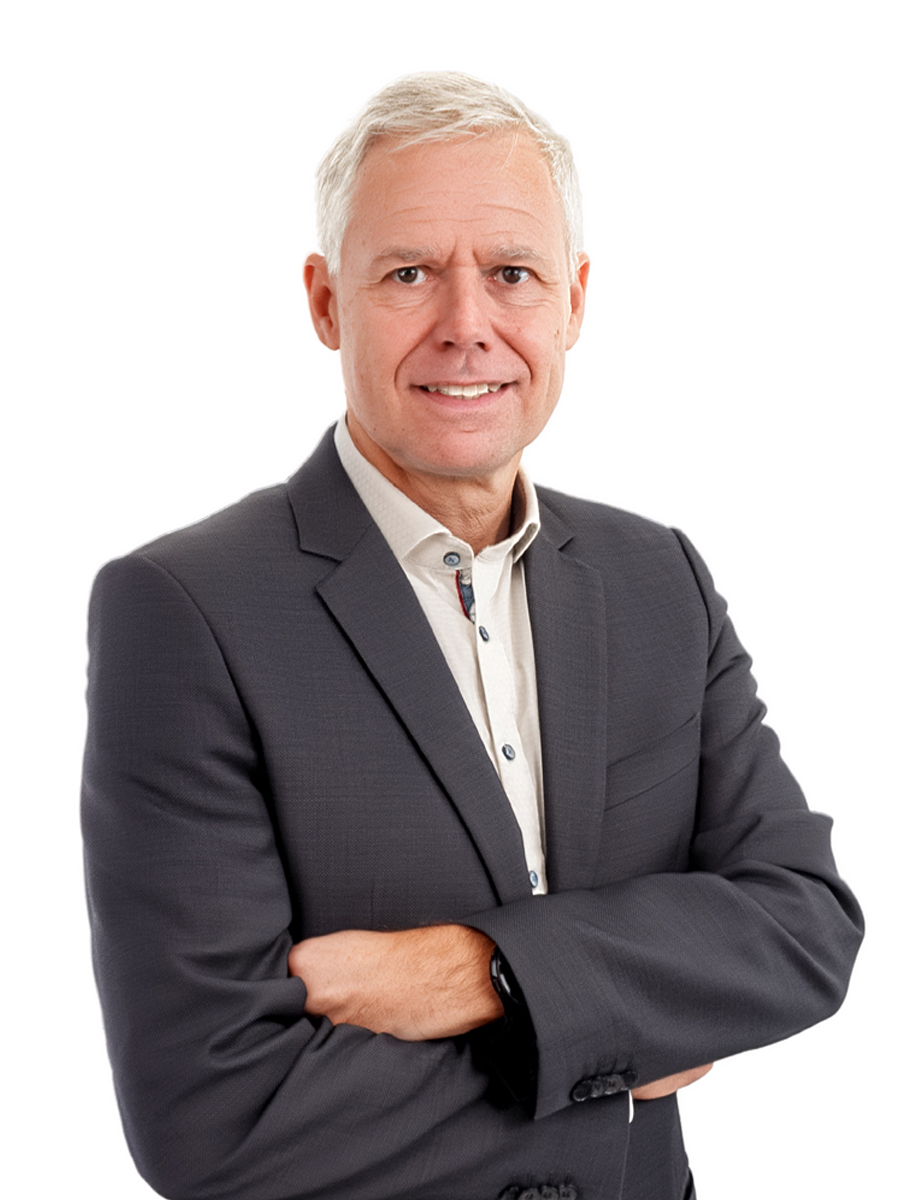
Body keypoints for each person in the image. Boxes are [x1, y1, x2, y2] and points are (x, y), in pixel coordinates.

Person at [82, 72, 863, 1200]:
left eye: (512, 274)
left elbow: (802, 925)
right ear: (325, 303)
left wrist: (481, 972)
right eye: (408, 274)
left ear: (574, 300)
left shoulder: (659, 578)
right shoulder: (185, 610)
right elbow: (212, 1115)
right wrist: (615, 1049)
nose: (466, 326)